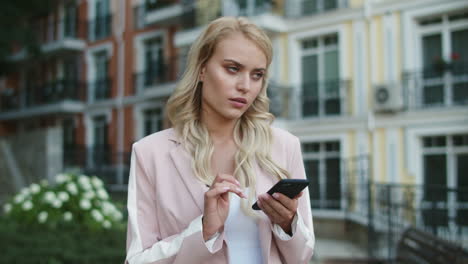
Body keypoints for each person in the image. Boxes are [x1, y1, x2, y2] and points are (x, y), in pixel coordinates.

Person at [125, 16, 315, 264]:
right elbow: (137, 260)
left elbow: (303, 255)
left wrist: (288, 224)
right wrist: (204, 230)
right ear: (202, 69)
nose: (245, 86)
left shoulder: (285, 146)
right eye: (232, 69)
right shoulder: (150, 153)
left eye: (257, 75)